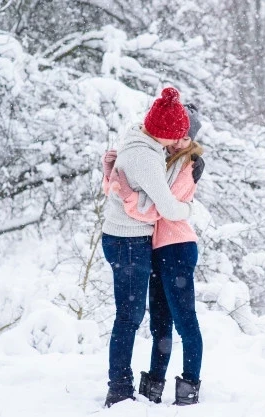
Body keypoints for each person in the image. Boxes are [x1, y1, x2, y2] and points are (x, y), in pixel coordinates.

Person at [100, 87, 197, 408]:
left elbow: (125, 190)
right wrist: (187, 209)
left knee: (129, 316)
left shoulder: (137, 141)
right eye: (177, 134)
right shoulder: (147, 158)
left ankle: (121, 385)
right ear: (164, 133)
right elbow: (164, 208)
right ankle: (119, 389)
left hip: (125, 240)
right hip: (129, 242)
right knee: (128, 317)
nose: (179, 140)